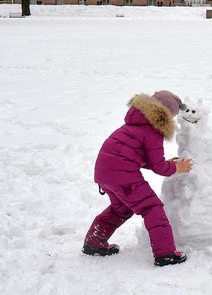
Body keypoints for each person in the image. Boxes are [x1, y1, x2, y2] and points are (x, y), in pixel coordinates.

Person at [82, 90, 193, 267]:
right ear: (166, 114)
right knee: (152, 208)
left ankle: (94, 243)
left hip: (104, 174)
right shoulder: (153, 131)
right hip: (122, 176)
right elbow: (158, 167)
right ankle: (165, 254)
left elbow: (135, 156)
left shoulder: (134, 124)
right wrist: (177, 168)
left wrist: (165, 163)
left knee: (121, 209)